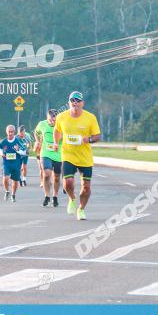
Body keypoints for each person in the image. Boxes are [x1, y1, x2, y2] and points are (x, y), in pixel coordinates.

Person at [53, 91, 101, 220]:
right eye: (72, 100)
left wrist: (89, 140)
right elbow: (57, 131)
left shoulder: (90, 117)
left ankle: (81, 209)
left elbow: (97, 136)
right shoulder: (61, 117)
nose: (75, 103)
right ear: (69, 103)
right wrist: (56, 143)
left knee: (86, 187)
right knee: (68, 182)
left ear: (82, 103)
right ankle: (72, 199)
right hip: (68, 155)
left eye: (78, 100)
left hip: (85, 157)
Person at [35, 109, 62, 207]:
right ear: (47, 118)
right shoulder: (42, 124)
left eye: (54, 120)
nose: (52, 122)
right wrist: (38, 141)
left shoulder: (61, 125)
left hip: (58, 154)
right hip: (45, 153)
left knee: (57, 177)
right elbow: (36, 132)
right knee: (46, 174)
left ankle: (55, 196)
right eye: (50, 120)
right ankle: (47, 196)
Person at [0, 125, 24, 202]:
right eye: (9, 131)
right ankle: (7, 191)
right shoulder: (4, 141)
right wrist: (1, 153)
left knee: (15, 181)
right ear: (6, 132)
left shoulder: (18, 141)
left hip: (16, 164)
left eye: (12, 132)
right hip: (7, 163)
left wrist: (18, 150)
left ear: (14, 132)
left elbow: (24, 152)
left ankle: (13, 195)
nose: (10, 133)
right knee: (5, 178)